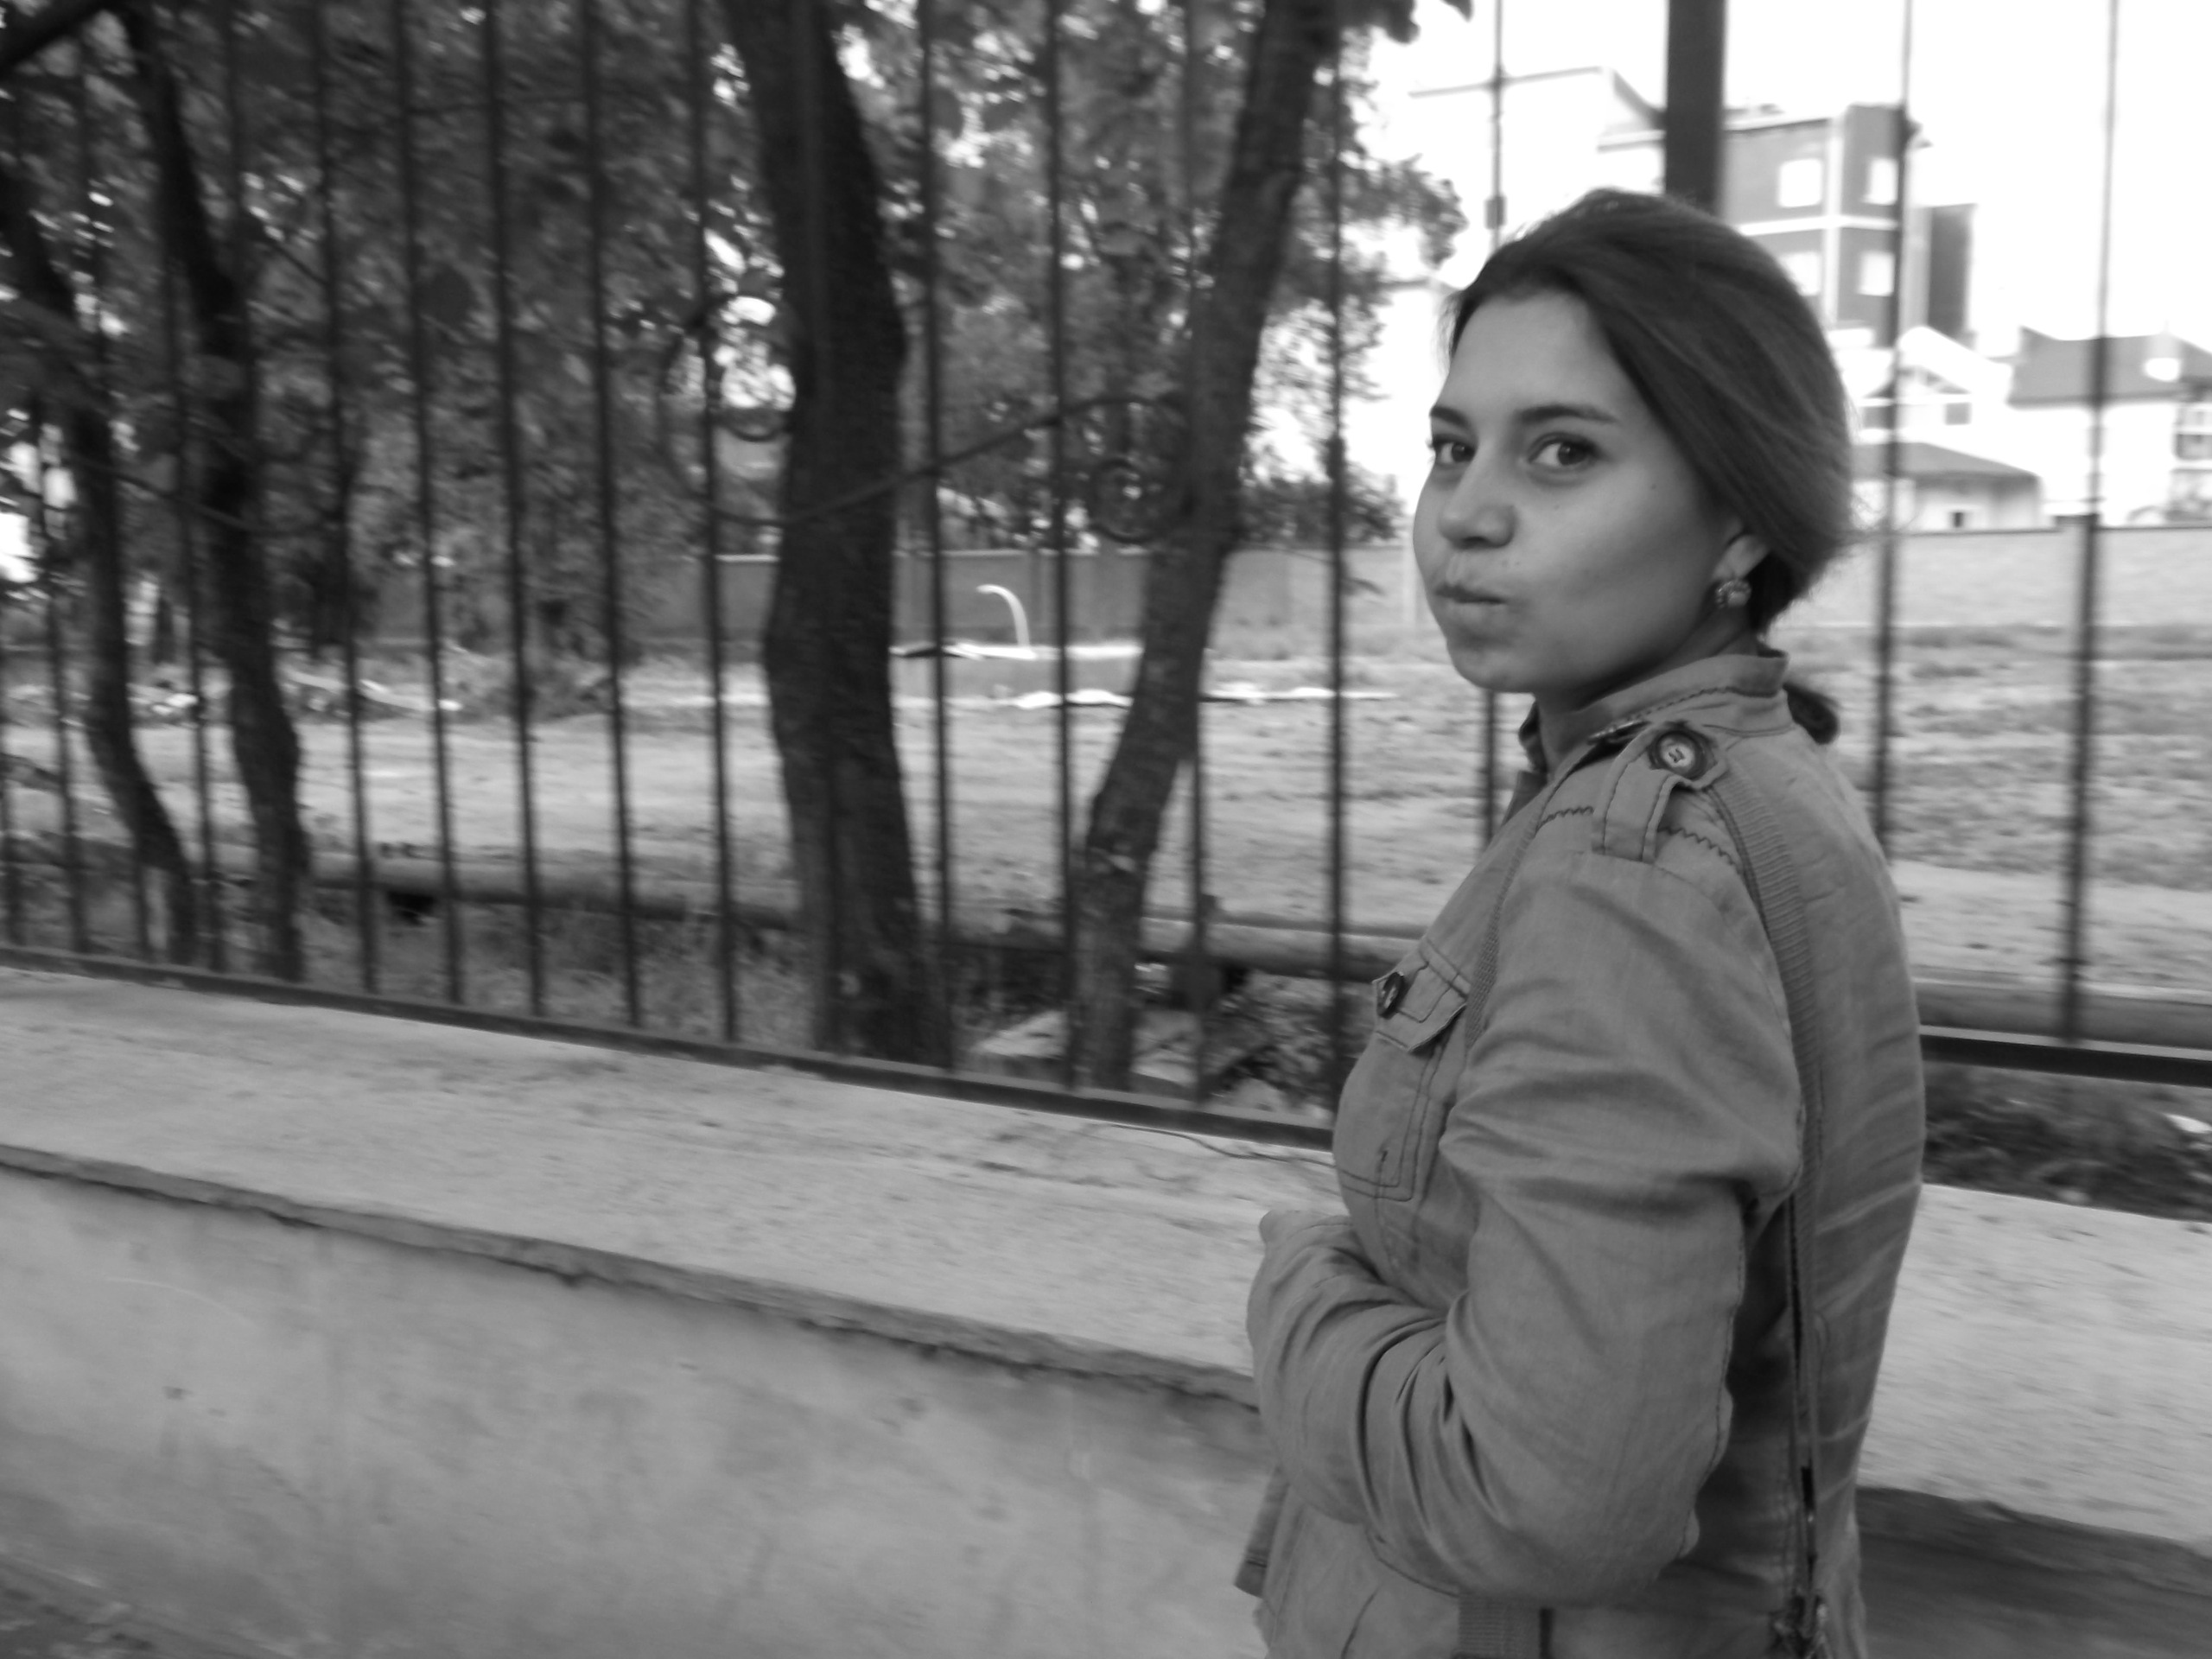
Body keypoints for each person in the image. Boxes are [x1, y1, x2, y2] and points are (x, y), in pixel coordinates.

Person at [1239, 188, 1926, 1659]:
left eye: (1563, 452)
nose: (1467, 512)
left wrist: (1294, 1292)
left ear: (1742, 516)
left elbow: (1544, 1502)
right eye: (1452, 447)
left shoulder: (1640, 864)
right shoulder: (1753, 777)